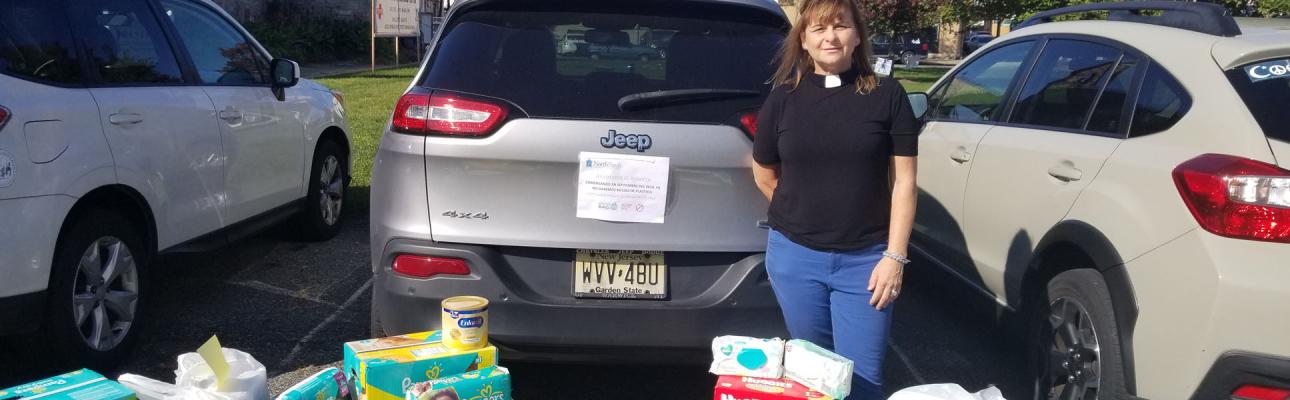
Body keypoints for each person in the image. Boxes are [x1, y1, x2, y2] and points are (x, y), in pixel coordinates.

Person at [751, 0, 918, 398]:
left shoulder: (888, 96)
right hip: (796, 259)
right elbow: (763, 173)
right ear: (803, 41)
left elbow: (905, 184)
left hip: (866, 262)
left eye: (840, 26)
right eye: (818, 29)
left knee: (864, 379)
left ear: (857, 36)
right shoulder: (783, 99)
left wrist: (894, 258)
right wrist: (803, 210)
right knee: (814, 374)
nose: (830, 37)